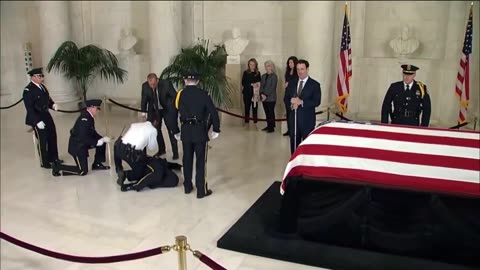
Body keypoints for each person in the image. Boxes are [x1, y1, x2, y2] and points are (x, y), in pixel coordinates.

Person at [173, 71, 220, 199]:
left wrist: (175, 130)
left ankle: (187, 187)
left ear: (185, 80)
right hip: (200, 131)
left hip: (186, 131)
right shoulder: (203, 94)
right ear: (198, 81)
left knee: (186, 159)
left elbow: (173, 114)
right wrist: (216, 129)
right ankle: (201, 191)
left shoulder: (180, 95)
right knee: (200, 162)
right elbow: (213, 112)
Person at [114, 117, 180, 192]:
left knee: (140, 169)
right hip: (131, 153)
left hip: (119, 148)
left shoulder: (136, 125)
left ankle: (123, 173)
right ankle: (132, 183)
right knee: (142, 170)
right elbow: (152, 147)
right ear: (155, 122)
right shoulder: (153, 130)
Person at [52, 99, 110, 176]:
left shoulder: (89, 116)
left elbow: (92, 132)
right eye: (97, 108)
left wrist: (102, 138)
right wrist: (96, 142)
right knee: (82, 171)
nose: (98, 110)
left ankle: (97, 164)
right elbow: (83, 137)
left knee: (102, 142)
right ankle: (57, 167)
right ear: (90, 107)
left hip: (83, 142)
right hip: (78, 147)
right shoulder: (84, 119)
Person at [22, 67, 63, 169]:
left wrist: (52, 105)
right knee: (42, 139)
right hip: (36, 117)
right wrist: (37, 121)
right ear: (34, 77)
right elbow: (29, 108)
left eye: (42, 76)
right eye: (40, 76)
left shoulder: (42, 87)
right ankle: (44, 162)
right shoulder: (28, 90)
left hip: (46, 115)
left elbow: (47, 99)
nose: (42, 78)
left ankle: (54, 158)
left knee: (52, 135)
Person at [284, 59, 321, 154]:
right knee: (294, 145)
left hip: (307, 122)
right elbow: (286, 98)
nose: (300, 71)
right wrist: (291, 103)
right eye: (298, 69)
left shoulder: (315, 85)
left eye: (302, 69)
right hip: (293, 120)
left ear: (307, 69)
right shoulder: (292, 83)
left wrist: (302, 102)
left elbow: (317, 102)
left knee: (306, 146)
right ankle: (294, 163)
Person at [141, 73, 179, 160]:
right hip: (154, 110)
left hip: (167, 109)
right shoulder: (145, 86)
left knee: (171, 129)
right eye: (150, 84)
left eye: (154, 84)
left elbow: (175, 96)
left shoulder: (166, 84)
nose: (152, 86)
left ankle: (175, 152)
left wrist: (173, 108)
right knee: (156, 130)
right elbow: (144, 99)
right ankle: (162, 150)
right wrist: (143, 113)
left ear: (157, 80)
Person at [241, 58, 261, 124]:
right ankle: (247, 122)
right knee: (247, 108)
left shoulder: (258, 73)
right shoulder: (245, 73)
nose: (252, 66)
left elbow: (260, 82)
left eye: (253, 65)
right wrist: (251, 84)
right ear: (248, 65)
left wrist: (257, 84)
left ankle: (255, 122)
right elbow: (243, 83)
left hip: (255, 93)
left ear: (255, 65)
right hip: (247, 93)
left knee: (255, 108)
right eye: (251, 64)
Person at [260, 60, 278, 133]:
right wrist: (261, 93)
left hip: (271, 98)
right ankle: (268, 125)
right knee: (266, 112)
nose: (267, 67)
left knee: (271, 112)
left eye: (268, 66)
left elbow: (272, 87)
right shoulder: (263, 76)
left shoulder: (274, 76)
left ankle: (271, 127)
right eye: (266, 66)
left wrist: (265, 95)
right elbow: (261, 86)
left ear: (271, 67)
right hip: (264, 98)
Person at [283, 56, 299, 136]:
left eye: (291, 62)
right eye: (289, 62)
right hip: (287, 94)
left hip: (293, 94)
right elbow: (286, 81)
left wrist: (289, 84)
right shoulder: (288, 72)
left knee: (293, 114)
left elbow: (297, 83)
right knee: (288, 113)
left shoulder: (297, 72)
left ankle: (293, 130)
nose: (290, 64)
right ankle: (289, 130)